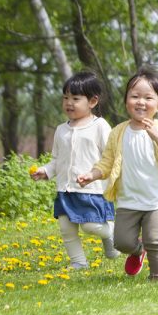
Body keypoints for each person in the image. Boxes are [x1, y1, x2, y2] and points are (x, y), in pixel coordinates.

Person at [77, 69, 158, 281]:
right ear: (126, 100)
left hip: (156, 201)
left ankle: (157, 277)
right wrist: (93, 174)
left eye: (148, 97)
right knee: (121, 242)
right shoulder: (119, 132)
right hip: (128, 201)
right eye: (135, 96)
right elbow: (107, 162)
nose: (141, 102)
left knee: (155, 239)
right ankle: (138, 250)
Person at [30, 71, 118, 270]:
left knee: (91, 226)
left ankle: (111, 233)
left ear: (93, 101)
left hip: (92, 190)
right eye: (66, 98)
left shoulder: (100, 126)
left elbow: (111, 156)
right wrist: (45, 171)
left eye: (76, 98)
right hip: (65, 190)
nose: (69, 103)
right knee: (66, 229)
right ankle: (78, 262)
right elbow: (57, 160)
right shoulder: (61, 129)